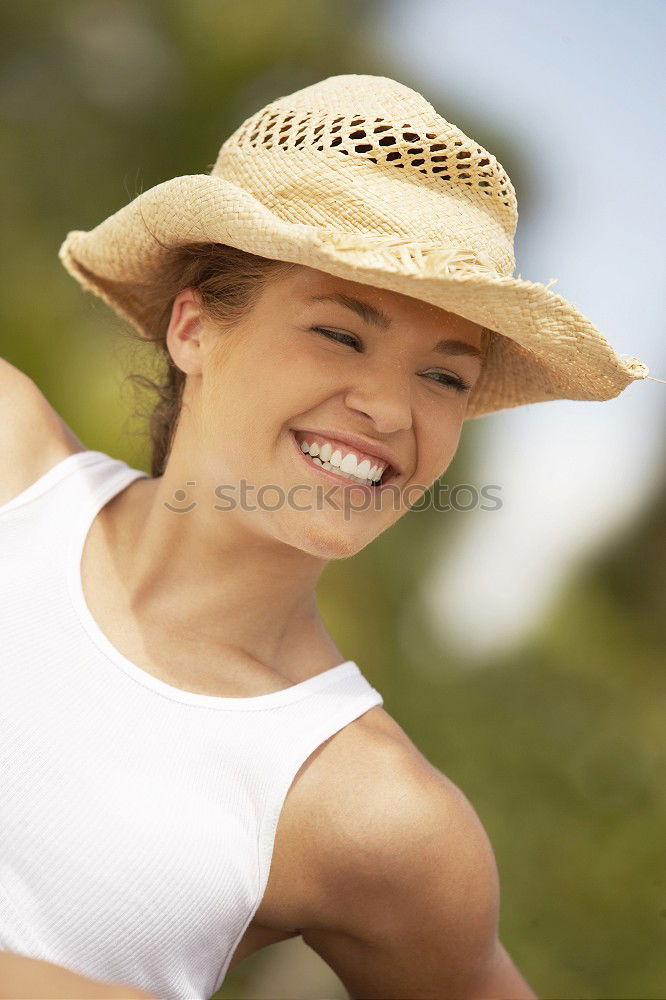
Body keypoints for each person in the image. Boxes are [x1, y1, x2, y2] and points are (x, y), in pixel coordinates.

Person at [0, 72, 653, 1000]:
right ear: (193, 327)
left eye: (444, 377)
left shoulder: (375, 814)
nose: (390, 409)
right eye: (341, 335)